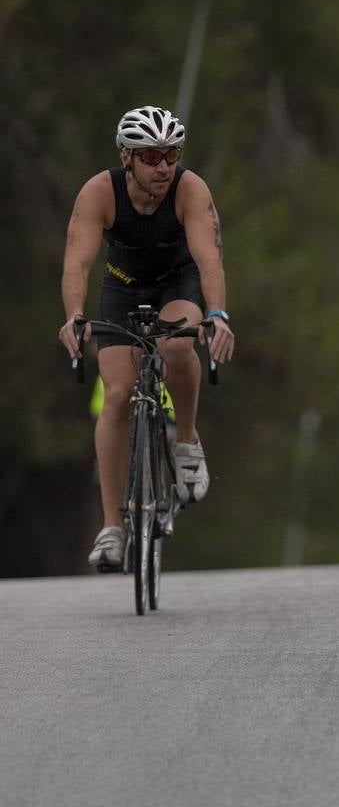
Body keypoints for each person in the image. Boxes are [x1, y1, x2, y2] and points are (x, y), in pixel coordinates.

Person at [57, 105, 236, 571]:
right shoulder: (100, 192)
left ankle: (187, 443)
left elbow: (210, 259)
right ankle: (113, 528)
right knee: (116, 394)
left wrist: (217, 315)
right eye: (152, 156)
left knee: (177, 344)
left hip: (179, 283)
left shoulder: (190, 190)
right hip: (123, 287)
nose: (163, 167)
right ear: (127, 158)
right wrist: (74, 317)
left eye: (171, 154)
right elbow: (77, 263)